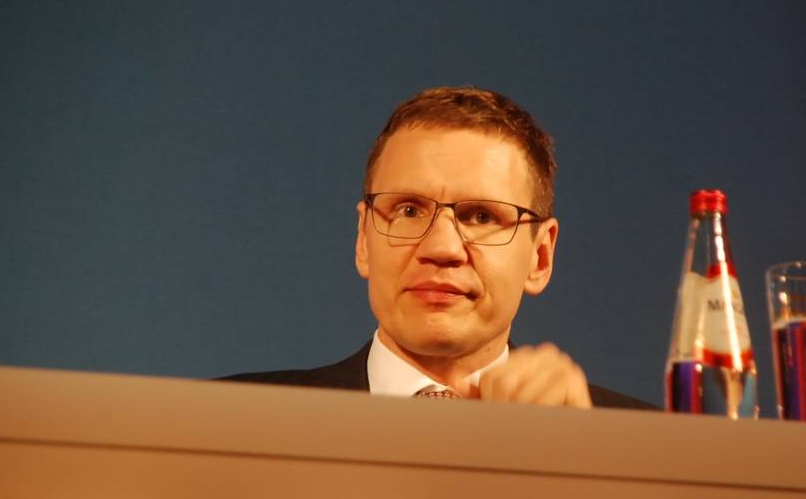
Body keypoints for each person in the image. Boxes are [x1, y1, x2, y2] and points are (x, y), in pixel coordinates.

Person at [224, 86, 654, 410]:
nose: (442, 248)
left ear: (540, 257)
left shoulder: (642, 451)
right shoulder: (231, 422)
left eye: (481, 216)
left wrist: (581, 461)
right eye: (409, 210)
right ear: (363, 239)